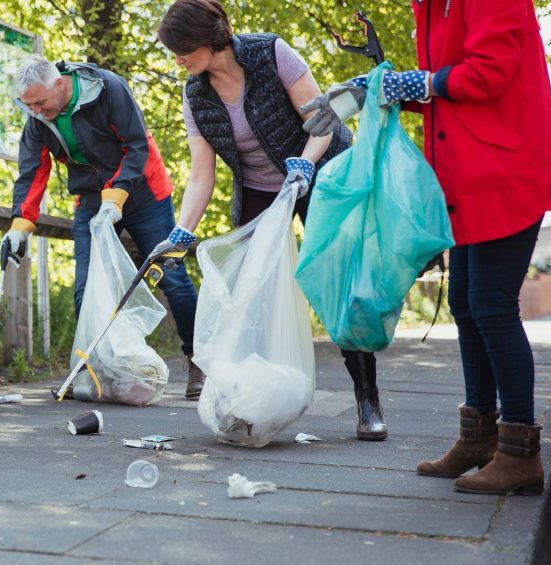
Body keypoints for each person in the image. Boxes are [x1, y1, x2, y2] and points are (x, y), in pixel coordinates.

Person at [302, 0, 551, 494]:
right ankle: (479, 437)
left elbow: (486, 75)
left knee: (492, 308)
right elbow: (444, 83)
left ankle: (521, 454)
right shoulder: (431, 5)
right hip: (467, 175)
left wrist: (417, 83)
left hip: (505, 169)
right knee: (464, 304)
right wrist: (373, 90)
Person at [149, 0, 395, 441]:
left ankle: (367, 398)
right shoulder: (195, 94)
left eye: (182, 48)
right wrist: (181, 231)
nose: (178, 59)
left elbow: (322, 119)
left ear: (209, 38)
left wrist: (303, 166)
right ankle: (249, 401)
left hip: (321, 171)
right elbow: (202, 173)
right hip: (262, 191)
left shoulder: (270, 52)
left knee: (338, 285)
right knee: (246, 293)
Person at [3, 54, 203, 400]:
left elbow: (136, 145)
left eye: (39, 102)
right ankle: (93, 369)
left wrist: (118, 197)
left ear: (60, 85)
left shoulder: (108, 88)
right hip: (92, 199)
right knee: (85, 286)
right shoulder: (37, 118)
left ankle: (200, 361)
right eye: (28, 105)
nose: (34, 110)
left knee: (172, 277)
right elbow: (33, 171)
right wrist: (21, 224)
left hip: (144, 192)